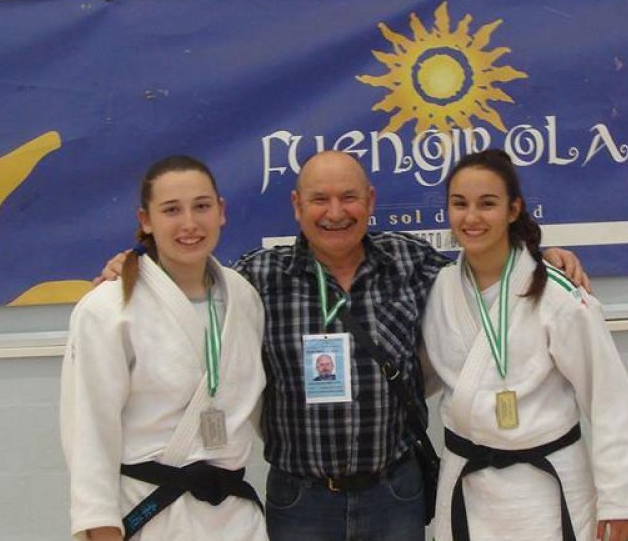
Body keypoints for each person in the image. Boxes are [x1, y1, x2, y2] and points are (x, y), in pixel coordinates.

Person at [100, 150, 586, 541]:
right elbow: (190, 279)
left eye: (349, 197)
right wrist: (136, 267)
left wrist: (540, 257)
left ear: (370, 200)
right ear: (296, 206)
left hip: (394, 492)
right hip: (299, 499)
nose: (336, 212)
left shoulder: (409, 262)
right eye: (319, 199)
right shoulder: (257, 278)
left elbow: (483, 270)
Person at [422, 149, 628, 541]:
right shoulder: (438, 287)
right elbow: (422, 378)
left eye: (487, 204)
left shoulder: (557, 294)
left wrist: (621, 499)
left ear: (514, 210)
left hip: (545, 486)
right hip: (466, 482)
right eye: (459, 204)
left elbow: (608, 396)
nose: (471, 217)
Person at [61, 156, 267, 541]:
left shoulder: (244, 296)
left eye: (202, 206)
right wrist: (101, 530)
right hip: (149, 512)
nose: (189, 223)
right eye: (171, 210)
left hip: (234, 518)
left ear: (221, 211)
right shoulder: (108, 308)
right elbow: (89, 433)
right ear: (146, 220)